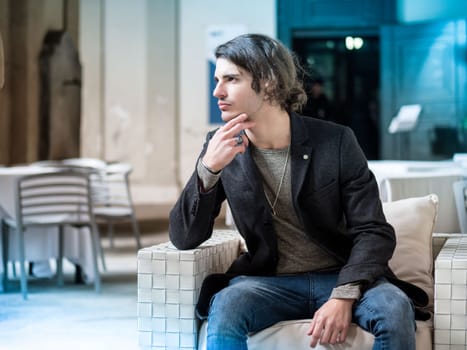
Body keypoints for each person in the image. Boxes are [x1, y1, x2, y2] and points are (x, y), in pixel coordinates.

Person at [169, 33, 428, 350]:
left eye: (231, 79)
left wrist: (344, 295)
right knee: (227, 305)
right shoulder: (219, 145)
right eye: (217, 79)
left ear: (268, 83)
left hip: (341, 273)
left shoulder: (336, 141)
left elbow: (374, 230)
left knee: (393, 307)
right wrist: (208, 170)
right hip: (269, 281)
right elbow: (184, 238)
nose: (217, 91)